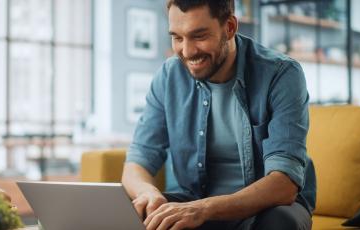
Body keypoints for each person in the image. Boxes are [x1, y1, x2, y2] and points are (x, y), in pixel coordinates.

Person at [122, 0, 316, 229]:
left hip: (268, 207)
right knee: (136, 213)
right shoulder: (168, 77)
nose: (187, 51)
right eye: (177, 37)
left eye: (199, 36)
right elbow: (137, 163)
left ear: (230, 27)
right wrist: (150, 195)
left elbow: (283, 185)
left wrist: (203, 209)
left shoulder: (281, 74)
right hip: (196, 201)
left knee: (280, 223)